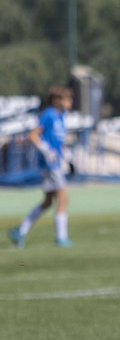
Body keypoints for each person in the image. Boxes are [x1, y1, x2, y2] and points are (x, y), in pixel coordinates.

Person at [8, 85, 74, 249]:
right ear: (56, 100)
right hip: (50, 164)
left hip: (56, 162)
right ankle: (61, 238)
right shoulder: (49, 114)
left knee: (48, 201)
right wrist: (46, 151)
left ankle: (20, 231)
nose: (69, 103)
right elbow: (33, 135)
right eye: (66, 99)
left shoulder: (61, 116)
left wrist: (68, 157)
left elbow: (59, 142)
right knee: (63, 198)